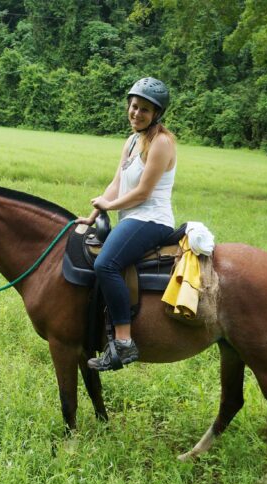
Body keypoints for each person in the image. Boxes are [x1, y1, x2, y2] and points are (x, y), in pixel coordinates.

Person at [76, 77, 177, 371]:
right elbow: (118, 182)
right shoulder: (132, 141)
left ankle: (123, 343)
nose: (136, 113)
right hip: (132, 217)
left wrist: (110, 205)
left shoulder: (161, 143)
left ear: (156, 114)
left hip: (152, 219)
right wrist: (94, 214)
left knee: (105, 264)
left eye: (145, 110)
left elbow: (143, 192)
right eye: (134, 107)